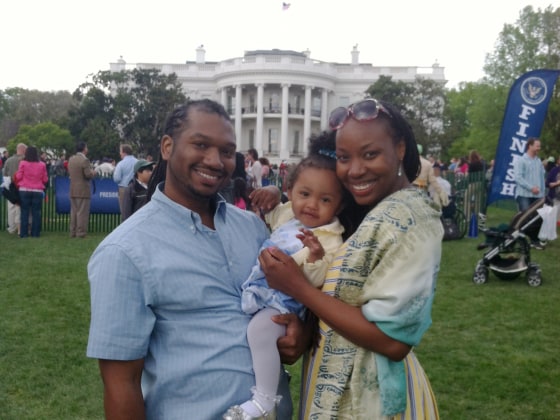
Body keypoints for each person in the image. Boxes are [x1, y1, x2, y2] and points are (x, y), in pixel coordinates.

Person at [86, 99, 305, 420]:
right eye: (200, 145)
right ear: (167, 147)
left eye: (227, 151)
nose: (216, 161)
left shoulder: (253, 228)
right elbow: (122, 384)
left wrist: (299, 331)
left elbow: (282, 301)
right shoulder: (125, 251)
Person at [259, 98, 442, 418]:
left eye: (370, 154)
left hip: (373, 400)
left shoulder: (412, 220)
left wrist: (298, 288)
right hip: (335, 388)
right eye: (344, 158)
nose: (355, 169)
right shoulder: (368, 215)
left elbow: (392, 342)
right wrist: (303, 333)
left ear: (399, 149)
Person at [224, 132, 346, 419]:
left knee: (260, 331)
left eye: (324, 199)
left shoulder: (330, 236)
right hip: (263, 294)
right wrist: (271, 193)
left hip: (286, 304)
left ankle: (265, 400)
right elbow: (270, 214)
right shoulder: (289, 217)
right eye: (305, 195)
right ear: (292, 192)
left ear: (339, 205)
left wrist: (315, 257)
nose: (312, 205)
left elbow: (320, 278)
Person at [15, 146, 48, 238]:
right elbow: (45, 179)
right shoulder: (42, 165)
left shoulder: (23, 163)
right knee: (36, 212)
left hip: (24, 189)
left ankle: (23, 233)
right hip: (37, 190)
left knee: (24, 212)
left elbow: (18, 177)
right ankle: (35, 233)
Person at [68, 142, 96, 238]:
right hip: (83, 189)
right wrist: (93, 172)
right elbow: (87, 174)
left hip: (73, 188)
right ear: (84, 149)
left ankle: (73, 231)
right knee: (82, 212)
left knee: (74, 212)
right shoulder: (85, 160)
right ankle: (81, 232)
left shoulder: (71, 159)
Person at [514, 137, 545, 213]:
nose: (539, 148)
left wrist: (543, 193)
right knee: (525, 218)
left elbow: (541, 178)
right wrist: (531, 188)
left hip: (538, 196)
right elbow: (518, 178)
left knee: (536, 220)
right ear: (530, 146)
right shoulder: (521, 160)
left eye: (539, 146)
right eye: (537, 146)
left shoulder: (539, 162)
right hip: (524, 195)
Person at [413, 144, 448, 209]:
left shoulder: (407, 162)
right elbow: (433, 180)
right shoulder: (427, 164)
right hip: (422, 189)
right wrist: (440, 191)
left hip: (409, 189)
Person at [2, 143, 27, 234]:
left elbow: (4, 174)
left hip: (11, 185)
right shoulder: (25, 160)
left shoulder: (8, 160)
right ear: (23, 150)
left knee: (11, 208)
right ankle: (19, 227)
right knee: (19, 208)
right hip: (21, 186)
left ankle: (11, 227)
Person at [113, 143, 138, 220]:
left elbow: (116, 178)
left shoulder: (121, 164)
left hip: (124, 189)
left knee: (125, 212)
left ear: (124, 152)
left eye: (120, 151)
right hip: (136, 188)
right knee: (136, 211)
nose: (120, 153)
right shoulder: (137, 162)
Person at [545, 155, 560, 224]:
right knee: (548, 219)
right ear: (558, 161)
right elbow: (547, 183)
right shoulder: (554, 170)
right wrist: (554, 184)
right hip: (553, 198)